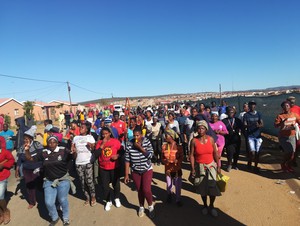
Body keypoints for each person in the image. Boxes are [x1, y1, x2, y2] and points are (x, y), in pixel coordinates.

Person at [24, 135, 76, 226]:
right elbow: (31, 159)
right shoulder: (43, 152)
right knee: (48, 202)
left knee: (62, 199)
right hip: (49, 180)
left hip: (63, 179)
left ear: (57, 143)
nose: (52, 144)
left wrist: (74, 152)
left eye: (54, 142)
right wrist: (27, 150)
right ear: (47, 144)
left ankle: (66, 218)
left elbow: (73, 156)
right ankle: (54, 217)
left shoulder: (63, 150)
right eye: (50, 142)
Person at [190, 120, 221, 217]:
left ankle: (212, 206)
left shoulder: (211, 139)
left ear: (206, 129)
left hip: (211, 166)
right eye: (198, 128)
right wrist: (193, 168)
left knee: (212, 188)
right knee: (202, 188)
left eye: (202, 128)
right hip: (200, 167)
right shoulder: (194, 141)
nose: (200, 130)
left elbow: (215, 153)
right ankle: (205, 205)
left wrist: (219, 166)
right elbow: (191, 155)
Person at [124, 127, 155, 218]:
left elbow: (150, 156)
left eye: (137, 135)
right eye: (134, 135)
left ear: (141, 135)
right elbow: (127, 160)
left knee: (146, 189)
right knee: (140, 190)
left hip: (147, 169)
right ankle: (141, 206)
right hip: (135, 170)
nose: (136, 137)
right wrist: (126, 175)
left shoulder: (147, 142)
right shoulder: (129, 143)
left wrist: (140, 148)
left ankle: (150, 206)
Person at [95, 127, 122, 211]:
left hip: (114, 167)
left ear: (110, 133)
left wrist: (117, 156)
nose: (104, 135)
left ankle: (117, 198)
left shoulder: (116, 141)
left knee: (116, 184)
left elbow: (122, 151)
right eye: (103, 134)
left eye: (106, 133)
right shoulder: (99, 142)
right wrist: (102, 144)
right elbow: (96, 154)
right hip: (103, 168)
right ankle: (108, 200)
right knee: (105, 186)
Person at [16, 126, 44, 209]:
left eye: (27, 138)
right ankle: (32, 202)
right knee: (29, 186)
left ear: (31, 139)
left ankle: (45, 198)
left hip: (37, 168)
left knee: (40, 184)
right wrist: (17, 168)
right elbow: (19, 159)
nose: (25, 140)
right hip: (27, 169)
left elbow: (42, 155)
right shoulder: (22, 147)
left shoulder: (37, 144)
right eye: (24, 139)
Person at [72, 122, 96, 206]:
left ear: (86, 129)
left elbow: (94, 149)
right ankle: (87, 197)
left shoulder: (90, 137)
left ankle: (93, 197)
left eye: (82, 127)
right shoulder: (75, 138)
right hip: (78, 162)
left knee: (89, 181)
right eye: (80, 127)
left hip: (88, 162)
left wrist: (91, 146)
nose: (80, 128)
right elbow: (73, 151)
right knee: (82, 182)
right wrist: (73, 152)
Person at [274, 101, 300, 172]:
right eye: (284, 106)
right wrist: (281, 123)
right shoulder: (280, 116)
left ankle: (287, 165)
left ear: (290, 106)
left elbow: (299, 120)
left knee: (292, 154)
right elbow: (276, 125)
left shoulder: (294, 115)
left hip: (292, 136)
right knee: (289, 152)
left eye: (287, 106)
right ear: (282, 108)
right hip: (283, 137)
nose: (286, 107)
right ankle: (283, 164)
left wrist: (296, 125)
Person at [161, 129, 183, 206]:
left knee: (178, 186)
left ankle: (178, 199)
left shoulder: (179, 147)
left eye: (166, 136)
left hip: (177, 169)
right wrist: (164, 161)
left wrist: (178, 161)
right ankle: (169, 195)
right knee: (168, 184)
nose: (165, 137)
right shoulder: (164, 146)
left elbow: (181, 157)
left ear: (171, 136)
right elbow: (162, 158)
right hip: (168, 170)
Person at [243, 101, 264, 173]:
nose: (252, 106)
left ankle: (255, 167)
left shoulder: (259, 114)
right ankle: (249, 162)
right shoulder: (246, 115)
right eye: (251, 105)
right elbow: (245, 125)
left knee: (257, 153)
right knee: (252, 152)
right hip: (250, 136)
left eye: (253, 105)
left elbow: (262, 124)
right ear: (248, 106)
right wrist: (251, 125)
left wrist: (259, 125)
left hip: (258, 136)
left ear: (255, 106)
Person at [0, 136, 15, 225]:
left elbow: (11, 160)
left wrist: (3, 165)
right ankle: (1, 215)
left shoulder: (5, 152)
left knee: (0, 197)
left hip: (2, 176)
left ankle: (6, 211)